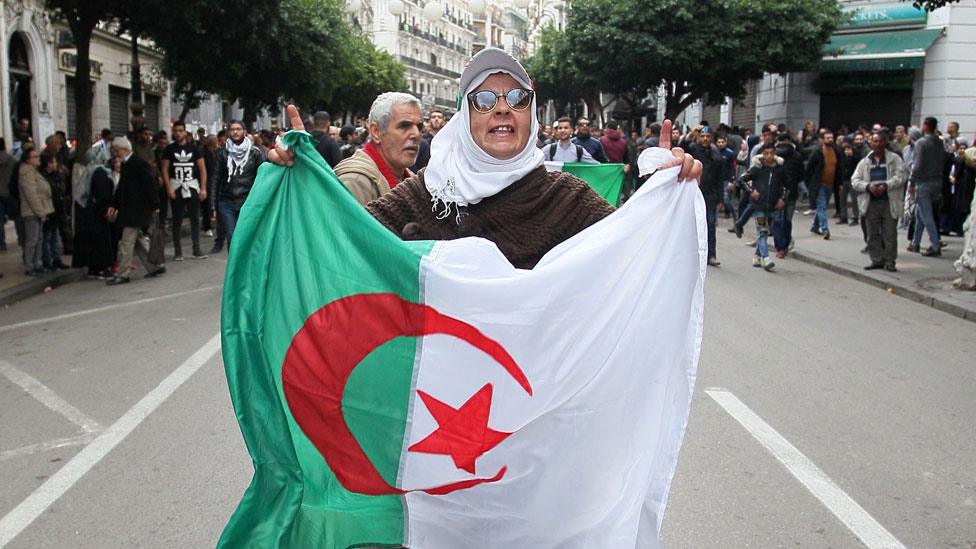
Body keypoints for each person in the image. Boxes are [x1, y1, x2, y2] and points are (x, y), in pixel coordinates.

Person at [270, 47, 700, 269]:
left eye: (516, 97)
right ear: (464, 116)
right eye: (483, 99)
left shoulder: (567, 199)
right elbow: (342, 241)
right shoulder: (424, 193)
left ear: (531, 113)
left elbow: (636, 254)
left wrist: (665, 194)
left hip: (530, 410)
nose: (501, 108)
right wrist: (300, 179)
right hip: (437, 412)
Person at [332, 92, 423, 206]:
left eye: (419, 127)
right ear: (376, 132)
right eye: (404, 126)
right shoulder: (355, 182)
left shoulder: (410, 179)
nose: (416, 134)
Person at [106, 137, 165, 285]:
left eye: (117, 150)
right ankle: (155, 266)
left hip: (136, 210)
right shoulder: (128, 164)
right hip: (130, 210)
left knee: (126, 243)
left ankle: (123, 274)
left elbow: (149, 185)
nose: (115, 154)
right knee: (137, 241)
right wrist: (114, 204)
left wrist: (155, 205)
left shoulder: (138, 164)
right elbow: (121, 188)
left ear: (123, 149)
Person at [852, 131, 906, 272]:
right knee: (872, 233)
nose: (878, 144)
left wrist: (886, 185)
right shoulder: (865, 162)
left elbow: (901, 176)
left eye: (881, 141)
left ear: (885, 142)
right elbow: (855, 180)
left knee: (890, 233)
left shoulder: (894, 159)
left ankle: (890, 261)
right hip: (871, 202)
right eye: (875, 141)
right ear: (870, 143)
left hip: (888, 201)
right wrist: (868, 186)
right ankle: (876, 259)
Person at [212, 120, 266, 252]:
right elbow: (215, 179)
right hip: (227, 202)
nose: (235, 132)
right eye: (232, 129)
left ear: (245, 132)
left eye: (238, 129)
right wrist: (213, 205)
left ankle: (246, 268)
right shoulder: (223, 153)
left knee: (247, 237)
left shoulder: (255, 153)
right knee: (232, 237)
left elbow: (263, 178)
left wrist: (262, 201)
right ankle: (234, 269)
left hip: (247, 202)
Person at [162, 121, 208, 260]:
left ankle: (196, 248)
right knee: (177, 220)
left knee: (195, 218)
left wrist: (203, 188)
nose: (178, 133)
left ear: (185, 132)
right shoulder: (169, 149)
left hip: (192, 185)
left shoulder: (194, 149)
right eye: (176, 131)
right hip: (176, 186)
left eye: (181, 131)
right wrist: (169, 187)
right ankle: (178, 251)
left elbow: (202, 169)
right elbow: (164, 169)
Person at [739, 142, 785, 271]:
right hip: (759, 206)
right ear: (762, 154)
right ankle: (766, 257)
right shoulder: (757, 168)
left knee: (764, 231)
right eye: (766, 153)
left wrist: (782, 198)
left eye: (771, 153)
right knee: (763, 231)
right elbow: (742, 180)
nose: (769, 156)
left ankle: (757, 255)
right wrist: (751, 191)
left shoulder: (779, 169)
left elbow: (786, 185)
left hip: (772, 206)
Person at [71, 146, 115, 278]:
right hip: (96, 214)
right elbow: (102, 194)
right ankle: (103, 267)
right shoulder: (100, 172)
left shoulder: (88, 171)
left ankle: (93, 268)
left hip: (86, 212)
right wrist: (106, 210)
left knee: (91, 241)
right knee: (101, 241)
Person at [909, 117, 947, 256]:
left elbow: (917, 165)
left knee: (926, 215)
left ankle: (935, 245)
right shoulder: (940, 142)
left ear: (925, 126)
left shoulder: (921, 143)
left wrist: (912, 181)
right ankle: (915, 242)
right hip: (937, 181)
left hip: (924, 182)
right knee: (921, 212)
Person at [687, 127, 723, 266]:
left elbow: (720, 178)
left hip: (710, 196)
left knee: (710, 224)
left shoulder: (716, 155)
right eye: (703, 136)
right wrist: (690, 135)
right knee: (693, 224)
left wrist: (721, 198)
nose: (705, 139)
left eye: (708, 136)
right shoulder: (693, 149)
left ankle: (711, 254)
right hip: (694, 193)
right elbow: (682, 148)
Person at [17, 148, 53, 276]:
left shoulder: (33, 171)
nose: (38, 158)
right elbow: (31, 194)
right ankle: (30, 265)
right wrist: (40, 212)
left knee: (39, 238)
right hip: (31, 211)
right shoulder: (26, 173)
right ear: (28, 159)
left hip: (39, 209)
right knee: (32, 239)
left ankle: (37, 263)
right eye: (34, 156)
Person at [806, 130, 841, 240]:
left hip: (830, 184)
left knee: (822, 206)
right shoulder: (817, 152)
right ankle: (825, 229)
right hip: (819, 184)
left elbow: (840, 168)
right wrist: (809, 183)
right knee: (822, 206)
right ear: (822, 140)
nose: (830, 140)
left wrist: (839, 184)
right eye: (828, 138)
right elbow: (809, 168)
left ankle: (815, 227)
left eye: (831, 138)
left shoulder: (836, 151)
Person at [39, 149, 69, 270]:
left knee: (54, 236)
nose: (56, 164)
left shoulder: (55, 175)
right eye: (54, 161)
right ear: (49, 163)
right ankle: (48, 260)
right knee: (47, 236)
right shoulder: (43, 177)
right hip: (49, 209)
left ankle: (56, 259)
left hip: (57, 209)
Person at [0, 138, 18, 250]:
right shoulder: (12, 160)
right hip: (9, 192)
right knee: (17, 217)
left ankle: (1, 243)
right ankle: (21, 239)